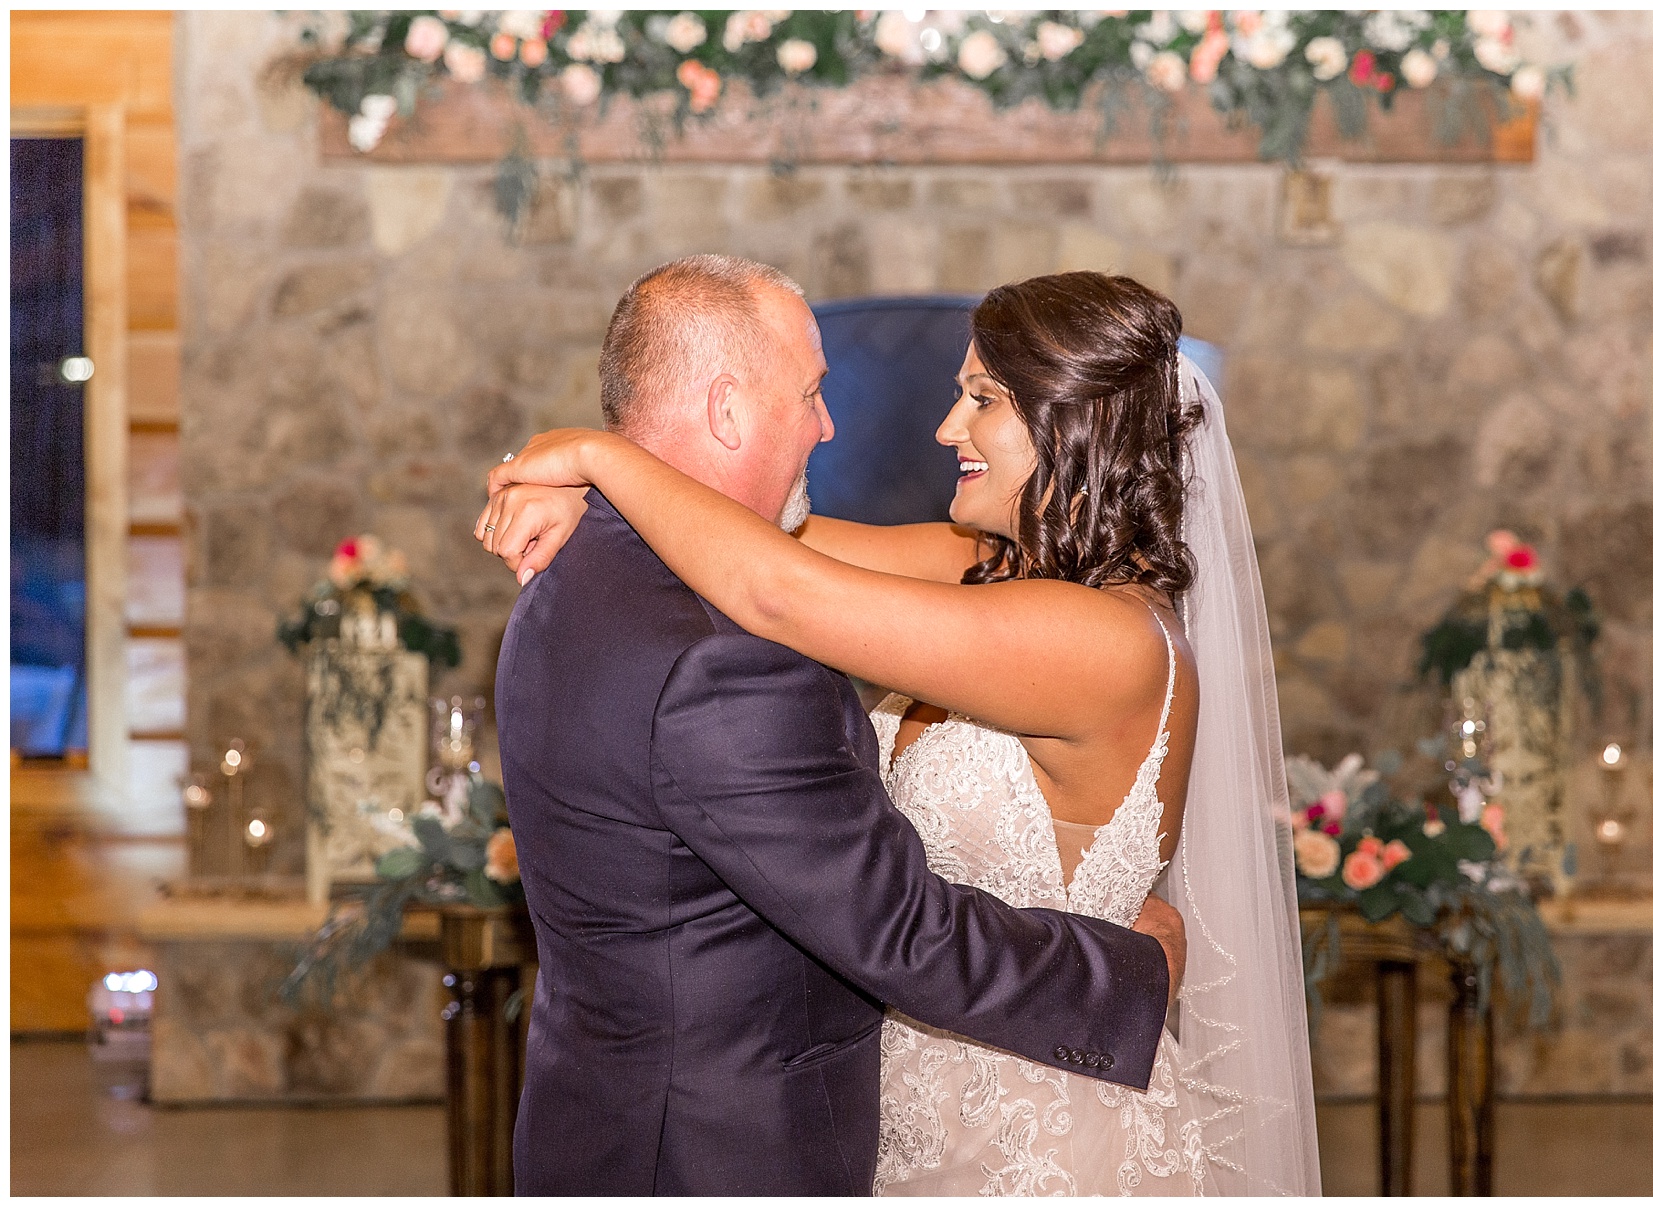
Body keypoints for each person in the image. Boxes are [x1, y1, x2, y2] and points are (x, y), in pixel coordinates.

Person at [482, 267, 1320, 1195]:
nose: (946, 427)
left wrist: (599, 457)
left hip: (1036, 1120)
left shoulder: (1106, 641)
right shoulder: (987, 566)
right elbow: (774, 538)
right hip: (906, 1105)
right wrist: (601, 509)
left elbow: (777, 590)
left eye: (981, 399)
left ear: (1073, 423)